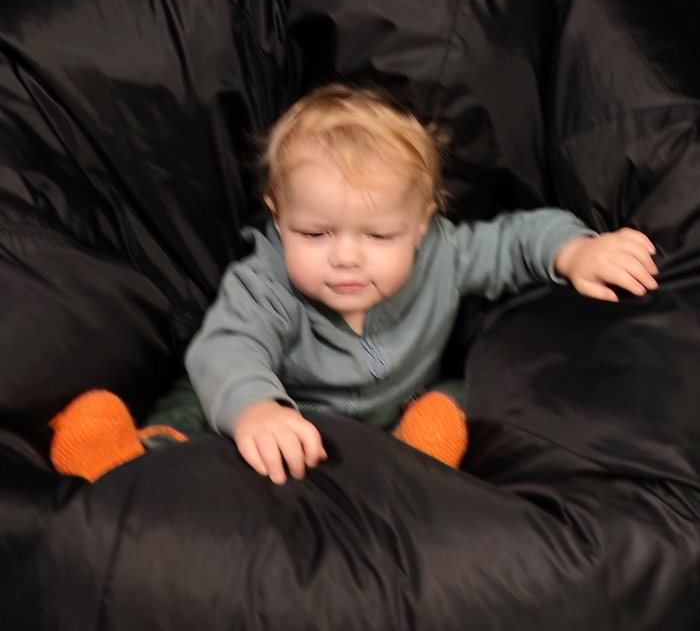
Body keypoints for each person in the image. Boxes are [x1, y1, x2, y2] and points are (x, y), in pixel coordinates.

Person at [50, 82, 659, 483]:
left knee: (464, 390)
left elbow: (516, 239)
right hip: (268, 415)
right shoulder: (266, 281)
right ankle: (115, 448)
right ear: (278, 219)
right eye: (315, 233)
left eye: (378, 236)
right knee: (197, 415)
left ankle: (420, 446)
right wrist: (256, 410)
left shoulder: (443, 254)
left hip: (383, 424)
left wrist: (575, 251)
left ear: (421, 226)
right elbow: (227, 347)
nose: (346, 259)